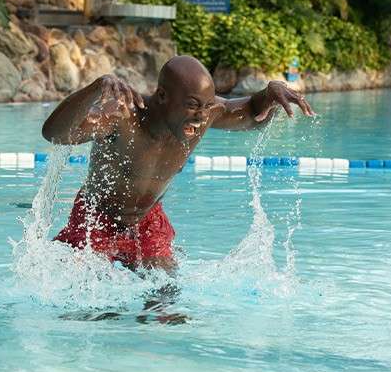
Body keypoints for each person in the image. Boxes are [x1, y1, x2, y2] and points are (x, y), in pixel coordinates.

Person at [41, 55, 314, 272]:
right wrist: (95, 89)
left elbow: (252, 114)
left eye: (207, 106)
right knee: (95, 303)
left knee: (166, 296)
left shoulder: (204, 116)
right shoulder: (121, 116)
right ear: (162, 96)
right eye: (193, 105)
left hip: (146, 221)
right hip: (95, 219)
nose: (201, 116)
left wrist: (270, 93)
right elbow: (55, 134)